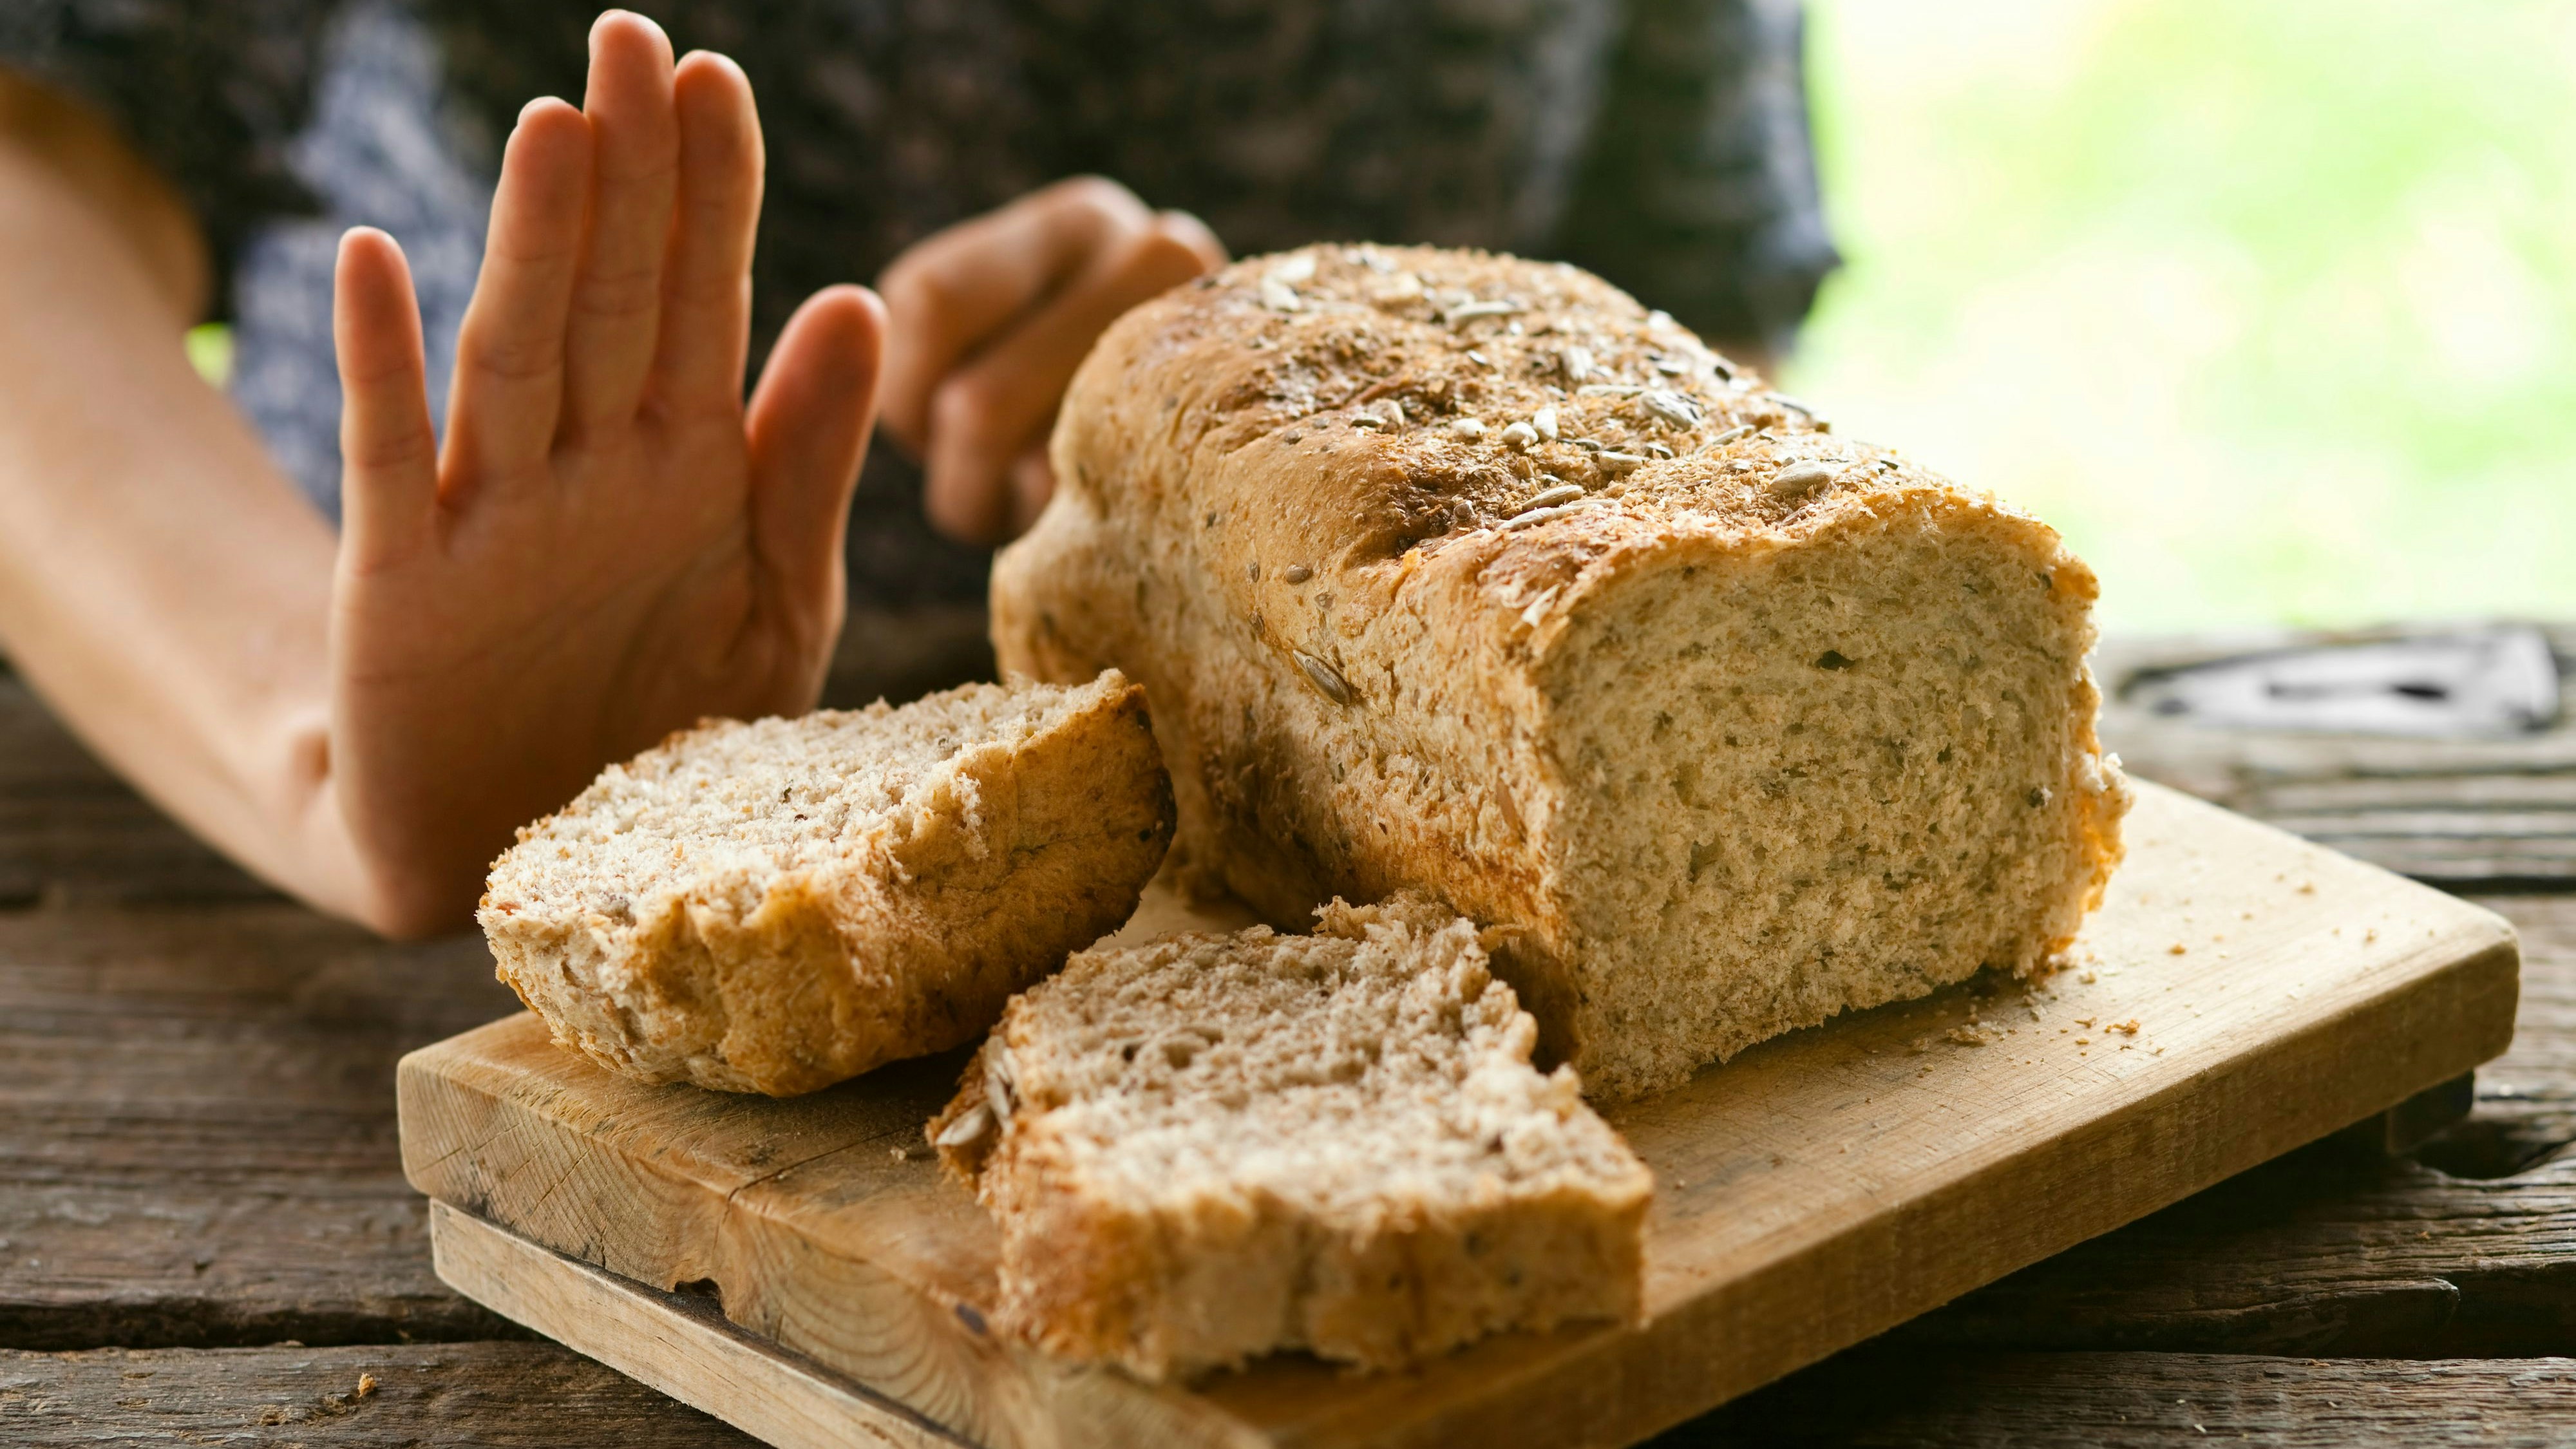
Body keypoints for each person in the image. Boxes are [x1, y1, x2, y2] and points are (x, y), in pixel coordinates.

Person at [0, 2, 1834, 937]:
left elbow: (1691, 329)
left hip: (1321, 881)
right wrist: (306, 732)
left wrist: (1289, 412)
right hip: (335, 861)